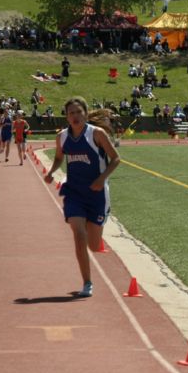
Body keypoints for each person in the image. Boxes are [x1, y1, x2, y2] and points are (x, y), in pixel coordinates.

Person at [44, 97, 120, 298]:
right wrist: (52, 171)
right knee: (78, 235)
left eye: (78, 112)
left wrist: (101, 179)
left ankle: (93, 226)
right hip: (74, 192)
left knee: (94, 246)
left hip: (97, 194)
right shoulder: (61, 137)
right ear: (66, 117)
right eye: (71, 113)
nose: (75, 116)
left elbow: (116, 159)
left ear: (85, 114)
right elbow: (60, 157)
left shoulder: (96, 134)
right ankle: (87, 283)